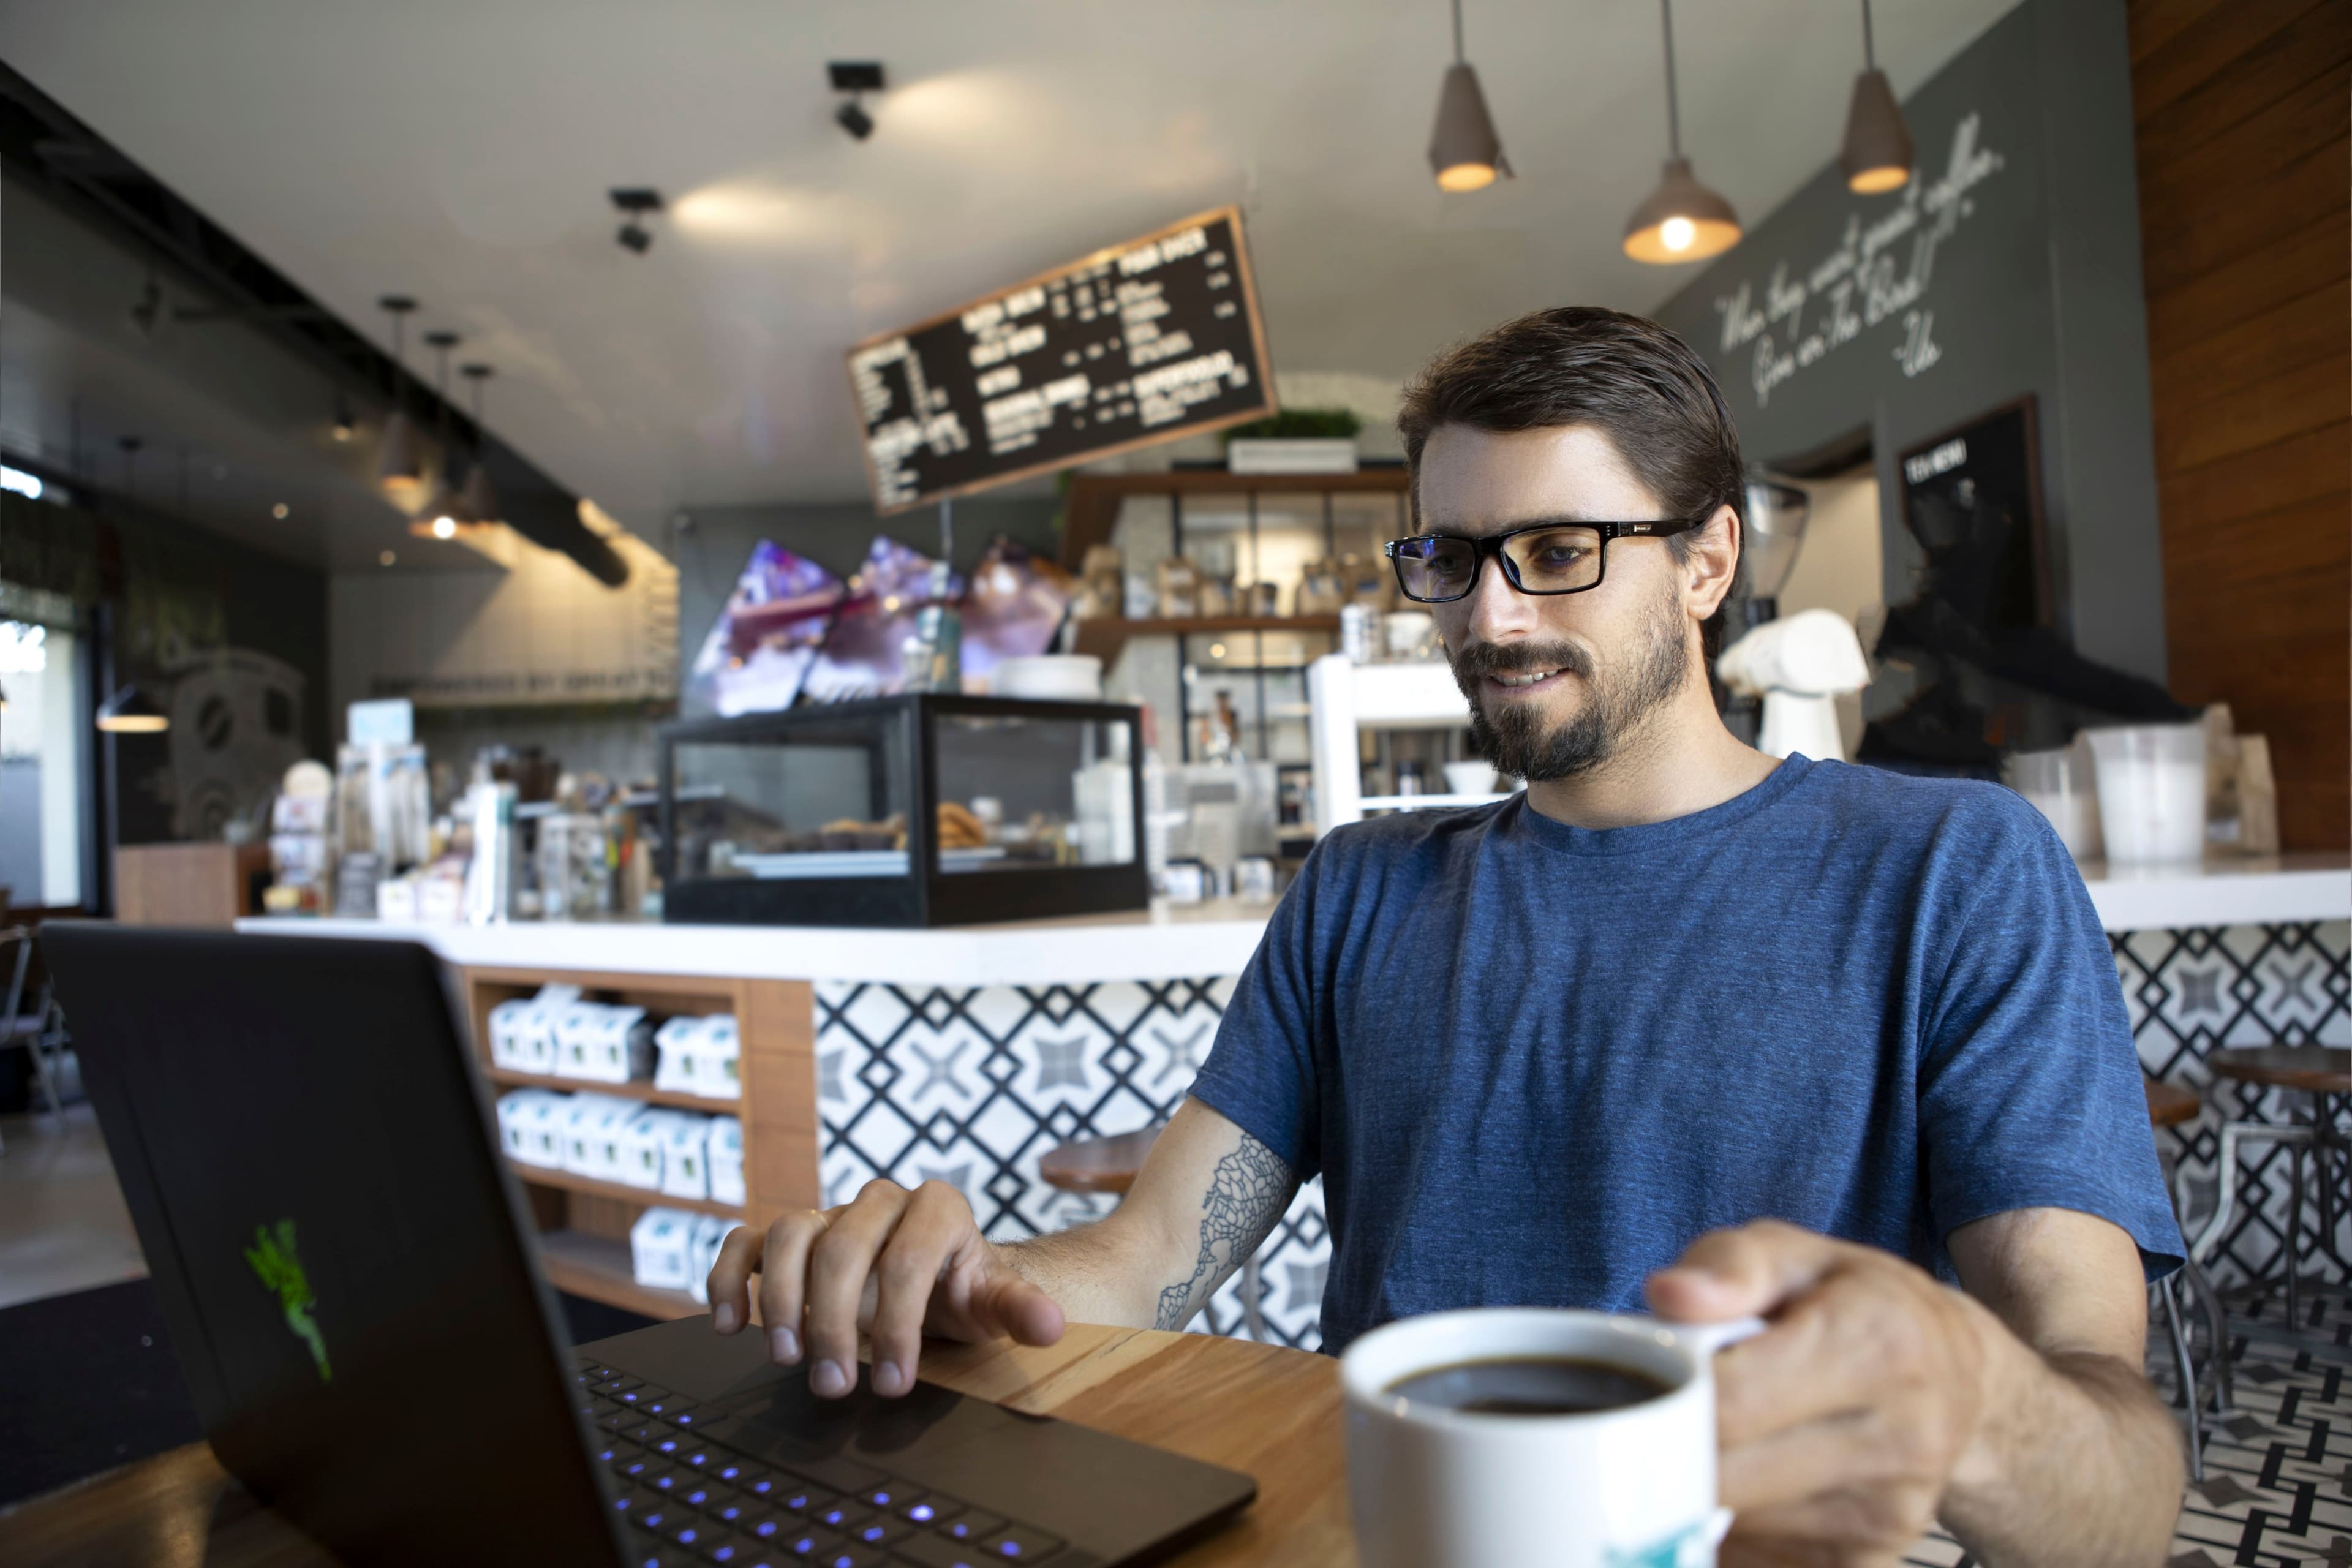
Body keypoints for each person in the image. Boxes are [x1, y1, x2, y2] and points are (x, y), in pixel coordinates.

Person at [709, 307, 2187, 1564]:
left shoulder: (1953, 868)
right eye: (1453, 556)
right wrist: (957, 1284)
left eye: (1555, 547)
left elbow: (2119, 1476)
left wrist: (1972, 1404)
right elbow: (1151, 1255)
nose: (1487, 613)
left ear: (1708, 560)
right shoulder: (1361, 888)